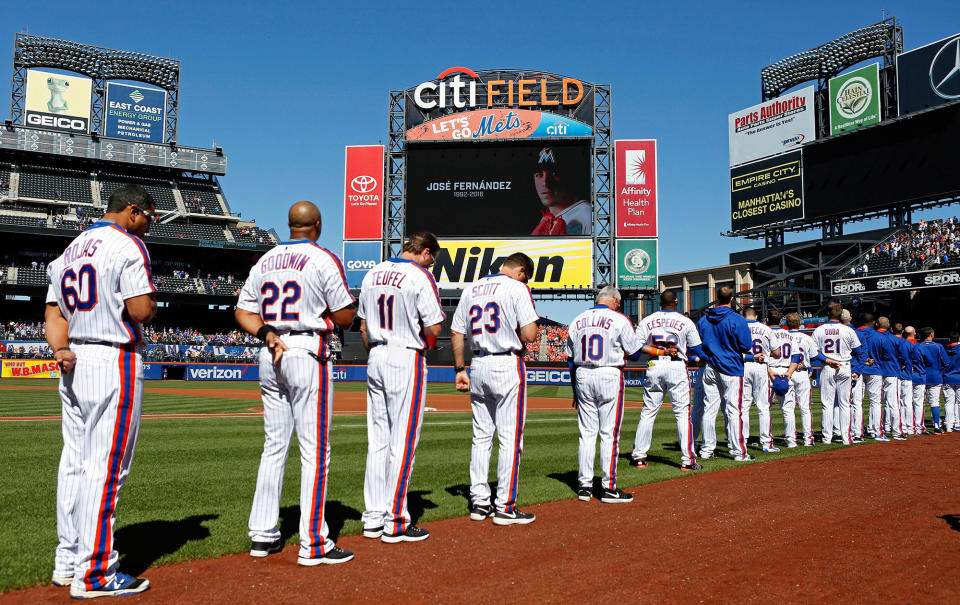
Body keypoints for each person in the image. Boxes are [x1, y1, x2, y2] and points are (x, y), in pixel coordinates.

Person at [44, 184, 157, 598]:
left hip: (73, 361)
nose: (149, 224)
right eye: (148, 216)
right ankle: (95, 575)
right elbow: (140, 309)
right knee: (105, 469)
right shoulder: (127, 245)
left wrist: (61, 349)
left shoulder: (70, 250)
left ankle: (69, 561)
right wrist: (154, 304)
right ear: (131, 211)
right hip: (113, 359)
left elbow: (53, 315)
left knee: (73, 463)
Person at [235, 201, 356, 566]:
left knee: (274, 446)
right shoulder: (323, 258)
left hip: (270, 348)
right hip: (305, 348)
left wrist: (267, 332)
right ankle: (314, 543)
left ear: (290, 225)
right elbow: (346, 316)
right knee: (315, 450)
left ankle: (262, 535)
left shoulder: (265, 260)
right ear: (317, 225)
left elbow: (243, 311)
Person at [358, 233, 444, 542]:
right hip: (405, 354)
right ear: (423, 252)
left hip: (376, 354)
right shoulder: (420, 275)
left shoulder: (373, 272)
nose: (432, 263)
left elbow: (364, 326)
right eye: (431, 258)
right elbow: (434, 326)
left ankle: (372, 517)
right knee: (403, 441)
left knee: (378, 440)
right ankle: (395, 520)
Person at [451, 253, 539, 524]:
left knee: (481, 437)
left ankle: (479, 502)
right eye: (527, 275)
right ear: (521, 270)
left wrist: (459, 369)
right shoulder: (517, 287)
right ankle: (505, 506)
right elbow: (531, 334)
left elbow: (456, 331)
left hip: (477, 364)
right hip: (506, 363)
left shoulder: (471, 288)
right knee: (510, 438)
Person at [565, 286, 644, 502]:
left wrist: (574, 389)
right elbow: (635, 354)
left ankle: (584, 486)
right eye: (618, 302)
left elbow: (570, 358)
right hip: (609, 372)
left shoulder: (578, 319)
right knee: (609, 433)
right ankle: (608, 487)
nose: (618, 305)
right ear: (614, 301)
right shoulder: (619, 319)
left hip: (582, 374)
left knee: (587, 433)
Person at [631, 289, 703, 471]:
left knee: (648, 412)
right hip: (677, 366)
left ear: (659, 302)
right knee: (682, 414)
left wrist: (659, 351)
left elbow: (638, 345)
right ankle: (688, 460)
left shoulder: (647, 320)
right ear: (676, 302)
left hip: (655, 365)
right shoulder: (685, 321)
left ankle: (639, 456)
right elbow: (697, 349)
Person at [694, 286, 758, 462]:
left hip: (710, 366)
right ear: (732, 299)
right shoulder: (737, 319)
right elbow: (745, 346)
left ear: (716, 297)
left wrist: (707, 356)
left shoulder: (704, 320)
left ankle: (707, 449)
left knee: (709, 409)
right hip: (731, 367)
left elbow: (696, 345)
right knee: (733, 410)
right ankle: (738, 452)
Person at [811, 302, 862, 445]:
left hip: (828, 366)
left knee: (827, 404)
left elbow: (813, 353)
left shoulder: (819, 330)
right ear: (841, 315)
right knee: (845, 404)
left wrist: (827, 359)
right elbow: (858, 351)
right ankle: (846, 438)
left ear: (828, 314)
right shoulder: (848, 330)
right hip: (845, 365)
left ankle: (826, 438)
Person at [530, 147, 591, 236]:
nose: (545, 183)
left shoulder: (586, 213)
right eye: (539, 175)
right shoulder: (546, 220)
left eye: (554, 174)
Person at [784, 312, 818, 447]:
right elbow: (815, 357)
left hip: (787, 372)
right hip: (803, 372)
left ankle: (791, 441)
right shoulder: (807, 337)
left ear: (786, 323)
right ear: (800, 323)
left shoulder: (783, 337)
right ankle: (808, 439)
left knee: (788, 408)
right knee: (805, 408)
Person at [742, 306, 773, 451]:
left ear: (744, 316)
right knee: (763, 406)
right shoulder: (765, 328)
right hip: (761, 366)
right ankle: (766, 442)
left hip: (744, 366)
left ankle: (742, 439)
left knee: (743, 406)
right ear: (756, 316)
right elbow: (777, 351)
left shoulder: (739, 326)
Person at [765, 310, 795, 450]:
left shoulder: (764, 332)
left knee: (765, 408)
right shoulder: (789, 335)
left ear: (767, 320)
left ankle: (765, 440)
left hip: (768, 370)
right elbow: (796, 356)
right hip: (784, 371)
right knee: (787, 409)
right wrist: (789, 372)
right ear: (781, 321)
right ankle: (791, 441)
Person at [874, 317, 903, 440]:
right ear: (889, 325)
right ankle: (896, 432)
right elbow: (903, 356)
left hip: (876, 371)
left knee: (875, 403)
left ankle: (875, 430)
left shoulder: (873, 337)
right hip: (891, 371)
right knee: (893, 404)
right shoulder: (894, 339)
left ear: (876, 324)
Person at [915, 327, 949, 433]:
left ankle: (917, 426)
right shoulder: (938, 346)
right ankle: (936, 425)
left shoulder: (917, 346)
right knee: (934, 402)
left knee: (919, 403)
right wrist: (940, 372)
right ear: (931, 334)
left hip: (920, 376)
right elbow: (946, 363)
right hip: (935, 377)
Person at [857, 314, 884, 439]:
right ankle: (875, 431)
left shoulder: (855, 333)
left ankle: (857, 431)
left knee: (856, 402)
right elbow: (886, 354)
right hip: (875, 369)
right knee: (875, 402)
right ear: (873, 323)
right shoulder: (880, 336)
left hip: (859, 369)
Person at [892, 323, 915, 436]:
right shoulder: (908, 344)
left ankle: (891, 426)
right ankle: (908, 427)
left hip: (895, 375)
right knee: (907, 403)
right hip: (906, 375)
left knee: (893, 403)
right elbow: (915, 359)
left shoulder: (890, 341)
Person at [905, 326, 927, 435]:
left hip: (906, 376)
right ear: (915, 333)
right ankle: (918, 427)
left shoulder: (901, 344)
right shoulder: (920, 346)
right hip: (919, 376)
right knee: (918, 403)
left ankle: (908, 427)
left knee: (906, 403)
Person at [943, 332, 960, 432]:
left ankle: (949, 425)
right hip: (958, 378)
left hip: (948, 378)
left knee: (949, 403)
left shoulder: (944, 349)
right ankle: (958, 423)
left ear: (949, 339)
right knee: (959, 403)